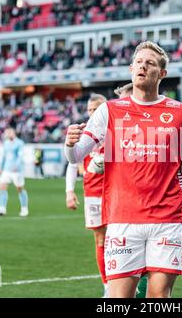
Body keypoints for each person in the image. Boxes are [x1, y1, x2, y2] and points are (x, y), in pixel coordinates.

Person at [64, 41, 182, 298]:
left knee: (160, 297)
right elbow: (77, 155)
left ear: (161, 73)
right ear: (131, 69)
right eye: (139, 62)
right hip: (122, 218)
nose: (142, 66)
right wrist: (69, 145)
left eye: (150, 63)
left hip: (167, 220)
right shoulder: (109, 111)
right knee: (119, 298)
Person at [115, 82, 182, 298]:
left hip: (170, 203)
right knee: (140, 268)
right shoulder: (124, 127)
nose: (123, 104)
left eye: (125, 99)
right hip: (137, 205)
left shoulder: (168, 120)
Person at [65, 94, 108, 297]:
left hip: (118, 190)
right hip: (93, 193)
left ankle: (128, 283)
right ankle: (108, 286)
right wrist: (69, 191)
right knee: (100, 240)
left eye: (96, 108)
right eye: (90, 109)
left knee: (123, 239)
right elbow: (73, 162)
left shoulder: (115, 129)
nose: (92, 113)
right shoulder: (85, 132)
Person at [0, 128, 29, 217]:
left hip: (16, 171)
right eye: (7, 133)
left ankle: (24, 208)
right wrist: (1, 168)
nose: (8, 134)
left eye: (10, 132)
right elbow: (4, 157)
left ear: (14, 133)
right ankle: (2, 208)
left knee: (20, 189)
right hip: (6, 170)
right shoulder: (6, 143)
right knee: (2, 187)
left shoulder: (19, 143)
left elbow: (20, 157)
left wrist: (16, 166)